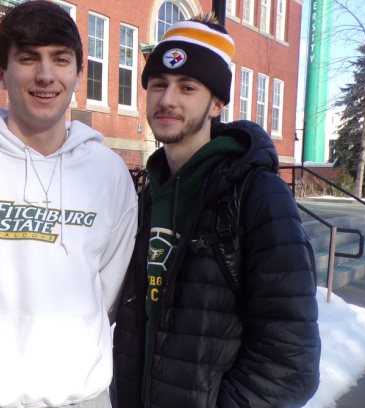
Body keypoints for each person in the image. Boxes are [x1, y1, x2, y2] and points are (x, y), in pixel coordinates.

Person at [111, 15, 321, 408]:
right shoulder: (145, 193)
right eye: (158, 84)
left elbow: (291, 361)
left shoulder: (258, 196)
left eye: (187, 87)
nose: (167, 99)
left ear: (217, 103)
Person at [0, 2, 137, 407]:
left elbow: (108, 287)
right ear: (1, 72)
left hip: (84, 395)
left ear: (79, 73)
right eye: (28, 58)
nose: (46, 75)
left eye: (60, 59)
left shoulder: (109, 172)